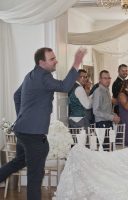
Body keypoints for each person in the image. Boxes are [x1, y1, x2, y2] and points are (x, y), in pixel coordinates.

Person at [0, 47, 86, 200]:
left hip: (22, 130)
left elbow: (16, 95)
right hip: (33, 135)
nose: (56, 61)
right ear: (41, 62)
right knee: (35, 176)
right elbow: (64, 87)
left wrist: (22, 117)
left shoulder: (30, 75)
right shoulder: (44, 76)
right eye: (52, 59)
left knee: (19, 162)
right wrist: (76, 63)